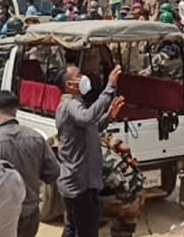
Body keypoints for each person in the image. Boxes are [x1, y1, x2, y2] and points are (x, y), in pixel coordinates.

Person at [56, 64, 124, 237]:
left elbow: (92, 126)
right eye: (79, 75)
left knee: (73, 229)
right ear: (70, 84)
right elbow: (86, 118)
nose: (84, 77)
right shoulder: (70, 105)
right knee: (87, 231)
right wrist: (109, 87)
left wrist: (109, 116)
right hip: (80, 183)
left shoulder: (76, 105)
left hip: (80, 181)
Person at [0, 91, 60, 237]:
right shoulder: (36, 137)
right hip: (30, 210)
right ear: (15, 110)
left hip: (1, 214)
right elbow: (53, 172)